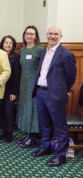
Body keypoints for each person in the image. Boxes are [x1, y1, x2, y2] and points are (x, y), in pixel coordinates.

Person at [32, 26, 76, 167]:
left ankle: (60, 155)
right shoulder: (44, 51)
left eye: (56, 34)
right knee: (44, 123)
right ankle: (45, 147)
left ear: (61, 36)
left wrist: (61, 90)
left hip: (55, 95)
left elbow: (71, 77)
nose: (52, 36)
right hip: (40, 92)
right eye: (50, 33)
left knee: (59, 126)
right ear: (46, 35)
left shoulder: (66, 54)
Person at [17, 26, 44, 148]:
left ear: (36, 36)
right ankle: (28, 135)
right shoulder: (22, 50)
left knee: (33, 109)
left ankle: (32, 137)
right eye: (27, 34)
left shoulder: (40, 50)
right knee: (25, 108)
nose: (29, 36)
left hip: (34, 84)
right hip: (24, 84)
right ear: (24, 35)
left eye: (32, 34)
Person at [0, 35, 21, 142]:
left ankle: (9, 134)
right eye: (6, 42)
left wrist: (14, 92)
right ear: (2, 44)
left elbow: (17, 76)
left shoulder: (16, 57)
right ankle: (3, 132)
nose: (8, 45)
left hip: (10, 90)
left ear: (13, 45)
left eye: (10, 43)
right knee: (1, 111)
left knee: (8, 112)